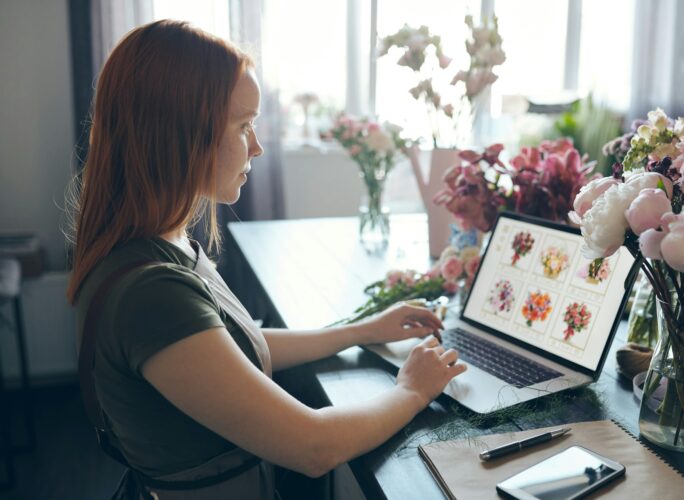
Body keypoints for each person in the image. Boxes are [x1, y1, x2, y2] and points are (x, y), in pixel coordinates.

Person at [67, 20, 466, 499]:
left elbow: (233, 349)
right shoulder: (152, 293)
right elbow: (312, 447)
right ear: (182, 131)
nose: (256, 146)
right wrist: (412, 390)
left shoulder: (158, 245)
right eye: (244, 125)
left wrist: (360, 330)